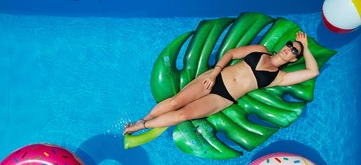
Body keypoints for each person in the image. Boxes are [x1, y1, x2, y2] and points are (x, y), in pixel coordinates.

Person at [123, 31, 319, 135]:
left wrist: (306, 48)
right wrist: (214, 74)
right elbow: (231, 54)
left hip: (223, 98)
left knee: (182, 114)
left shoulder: (280, 77)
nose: (289, 49)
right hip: (214, 78)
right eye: (290, 45)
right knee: (175, 102)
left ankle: (142, 126)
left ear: (294, 60)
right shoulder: (261, 49)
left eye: (295, 51)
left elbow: (313, 71)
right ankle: (145, 118)